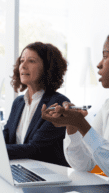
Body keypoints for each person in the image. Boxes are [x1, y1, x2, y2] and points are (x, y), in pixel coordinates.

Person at [0, 42, 70, 167]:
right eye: (22, 60)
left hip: (47, 173)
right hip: (20, 167)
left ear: (47, 67)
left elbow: (36, 149)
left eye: (31, 61)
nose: (23, 66)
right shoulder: (19, 102)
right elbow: (7, 135)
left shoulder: (58, 104)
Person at [41, 35, 109, 176]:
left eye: (105, 56)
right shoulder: (107, 106)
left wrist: (81, 123)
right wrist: (72, 127)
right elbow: (85, 164)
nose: (99, 64)